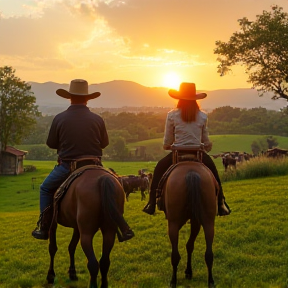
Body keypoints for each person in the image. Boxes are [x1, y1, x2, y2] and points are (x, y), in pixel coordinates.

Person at [32, 79, 134, 241]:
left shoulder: (59, 118)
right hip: (95, 165)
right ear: (87, 99)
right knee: (114, 184)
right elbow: (104, 143)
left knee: (45, 188)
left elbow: (51, 144)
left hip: (68, 166)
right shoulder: (97, 119)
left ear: (69, 98)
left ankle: (44, 228)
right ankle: (123, 226)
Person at [143, 82, 231, 216]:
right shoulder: (203, 116)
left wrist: (167, 145)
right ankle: (221, 203)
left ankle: (151, 203)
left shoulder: (172, 115)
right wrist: (207, 146)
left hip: (177, 154)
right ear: (195, 99)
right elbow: (206, 140)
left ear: (179, 98)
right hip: (198, 154)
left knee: (159, 168)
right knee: (214, 173)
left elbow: (167, 141)